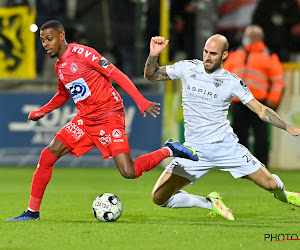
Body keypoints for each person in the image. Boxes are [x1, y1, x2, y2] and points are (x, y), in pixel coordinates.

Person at [5, 20, 199, 222]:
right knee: (48, 155)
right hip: (85, 119)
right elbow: (63, 94)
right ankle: (32, 212)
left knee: (128, 172)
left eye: (49, 39)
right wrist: (42, 111)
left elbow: (117, 74)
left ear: (61, 36)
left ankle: (169, 150)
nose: (45, 44)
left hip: (109, 116)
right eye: (43, 40)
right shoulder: (60, 67)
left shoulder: (84, 54)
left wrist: (141, 101)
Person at [143, 35, 300, 221]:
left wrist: (288, 127)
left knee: (271, 185)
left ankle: (285, 195)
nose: (207, 57)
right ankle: (210, 202)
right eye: (205, 52)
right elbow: (151, 75)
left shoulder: (231, 82)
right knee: (159, 197)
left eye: (213, 54)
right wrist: (153, 55)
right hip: (193, 150)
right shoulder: (188, 68)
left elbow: (260, 110)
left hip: (225, 146)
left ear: (224, 55)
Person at [223, 25, 285, 167]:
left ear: (257, 37)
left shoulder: (268, 55)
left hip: (260, 101)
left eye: (249, 35)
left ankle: (261, 166)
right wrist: (228, 98)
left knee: (261, 135)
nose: (246, 38)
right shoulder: (235, 53)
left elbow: (278, 81)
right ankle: (240, 164)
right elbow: (226, 77)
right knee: (238, 134)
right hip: (239, 102)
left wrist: (272, 99)